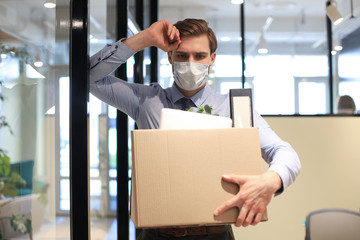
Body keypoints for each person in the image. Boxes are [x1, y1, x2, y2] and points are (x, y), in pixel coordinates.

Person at [90, 18, 301, 240]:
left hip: (215, 232)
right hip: (155, 234)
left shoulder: (234, 108)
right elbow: (89, 78)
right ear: (170, 57)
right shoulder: (146, 100)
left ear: (212, 59)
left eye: (199, 56)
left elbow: (285, 152)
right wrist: (144, 39)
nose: (191, 63)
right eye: (182, 55)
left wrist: (271, 180)